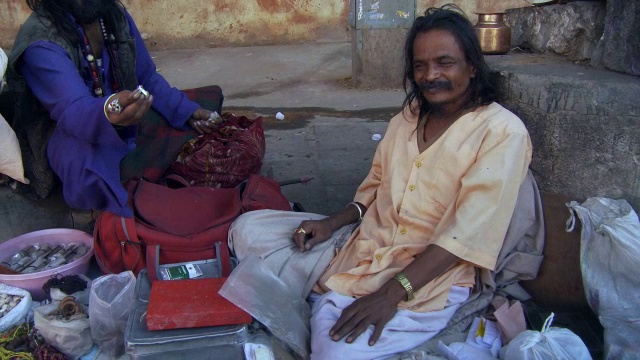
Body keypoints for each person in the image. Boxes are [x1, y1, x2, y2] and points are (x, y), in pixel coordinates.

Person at [229, 5, 533, 359]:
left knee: (332, 349)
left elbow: (466, 236)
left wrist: (391, 293)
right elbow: (373, 190)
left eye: (444, 62)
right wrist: (330, 223)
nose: (430, 75)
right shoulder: (408, 117)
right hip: (361, 246)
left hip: (428, 275)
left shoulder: (501, 132)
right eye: (420, 65)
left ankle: (332, 300)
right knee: (245, 229)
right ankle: (326, 293)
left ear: (472, 66)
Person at [6, 0, 222, 217]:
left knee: (204, 104)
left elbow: (145, 77)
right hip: (67, 131)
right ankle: (110, 214)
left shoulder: (113, 15)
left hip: (122, 117)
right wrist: (111, 109)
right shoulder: (41, 42)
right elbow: (74, 111)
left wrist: (186, 110)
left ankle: (136, 177)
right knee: (84, 163)